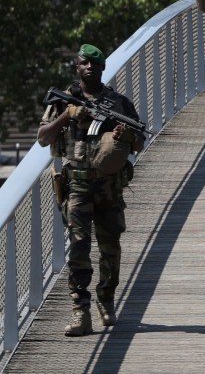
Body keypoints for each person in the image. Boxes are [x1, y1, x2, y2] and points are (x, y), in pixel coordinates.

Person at [37, 44, 145, 336]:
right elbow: (43, 138)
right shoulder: (63, 101)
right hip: (78, 186)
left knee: (111, 246)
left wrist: (127, 135)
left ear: (102, 69)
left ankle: (106, 300)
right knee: (79, 246)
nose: (90, 68)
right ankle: (80, 311)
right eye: (85, 63)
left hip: (110, 187)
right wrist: (67, 116)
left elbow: (139, 142)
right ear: (77, 67)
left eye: (95, 65)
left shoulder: (118, 103)